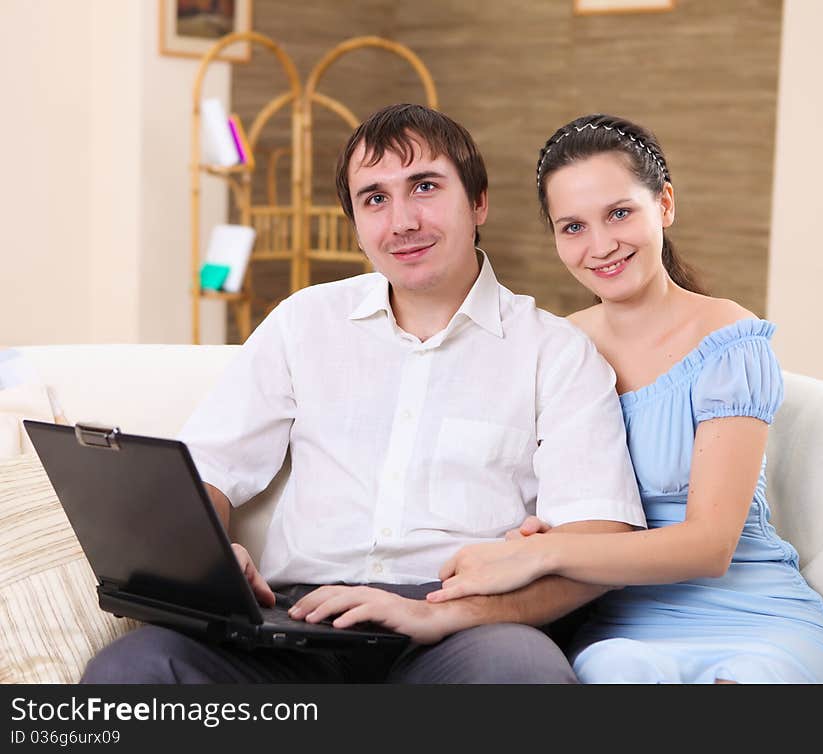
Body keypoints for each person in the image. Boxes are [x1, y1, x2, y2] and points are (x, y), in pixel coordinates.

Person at [80, 104, 646, 685]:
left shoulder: (555, 351)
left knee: (522, 675)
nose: (402, 221)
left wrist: (442, 612)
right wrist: (209, 558)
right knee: (135, 671)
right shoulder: (304, 322)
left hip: (463, 632)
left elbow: (599, 545)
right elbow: (206, 469)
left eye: (424, 187)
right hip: (297, 620)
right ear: (356, 224)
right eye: (375, 198)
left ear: (478, 202)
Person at [426, 113, 823, 684]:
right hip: (624, 628)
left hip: (755, 617)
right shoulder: (557, 348)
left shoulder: (727, 338)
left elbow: (710, 546)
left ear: (666, 205)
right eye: (573, 227)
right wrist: (540, 529)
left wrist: (544, 554)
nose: (601, 245)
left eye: (620, 213)